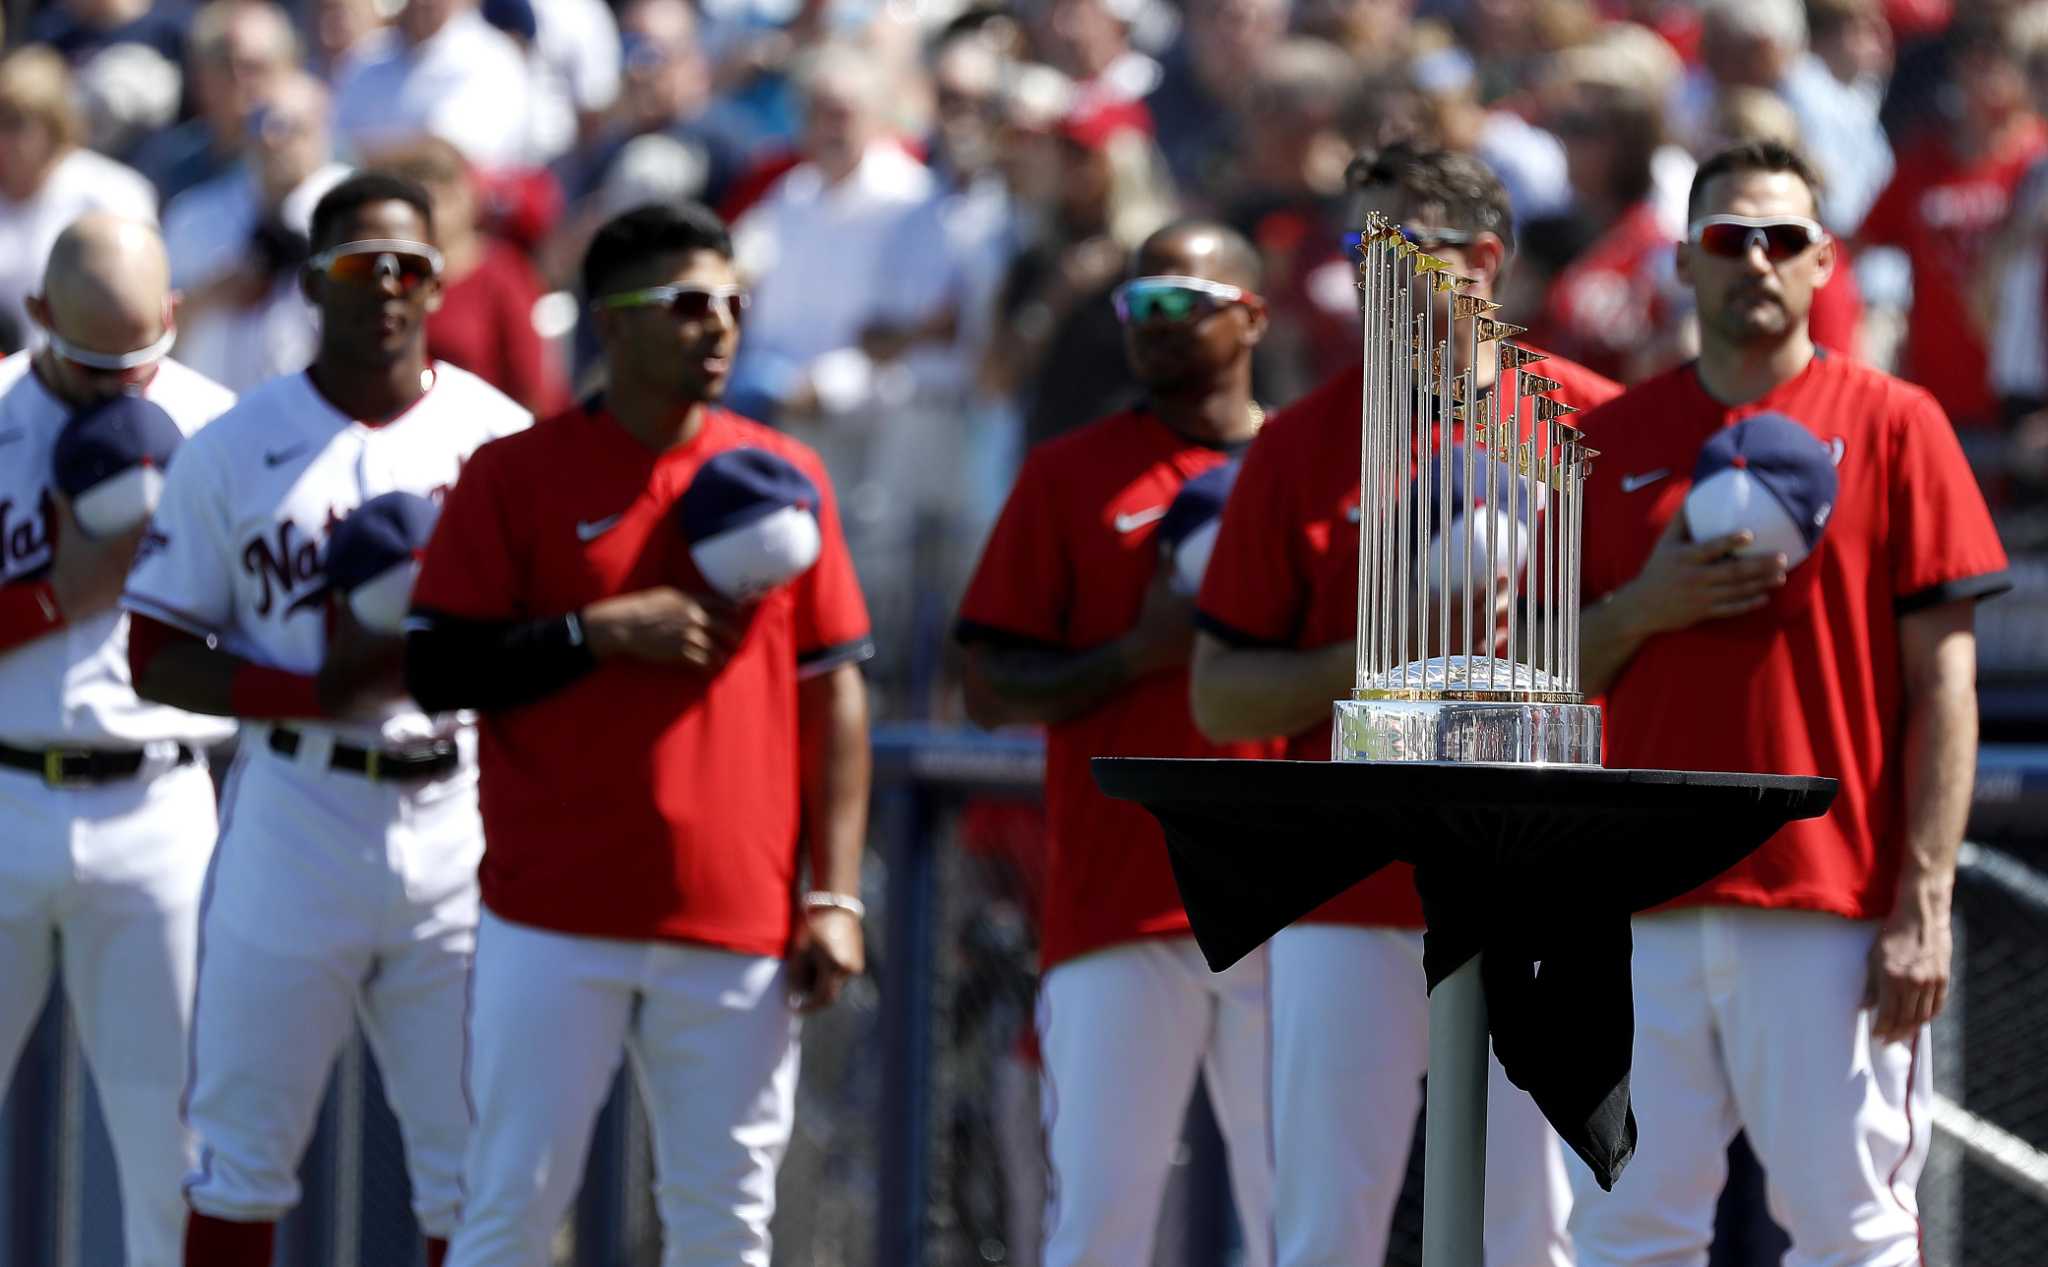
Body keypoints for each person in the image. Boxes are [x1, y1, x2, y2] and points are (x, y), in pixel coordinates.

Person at [1565, 138, 2008, 1266]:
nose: (1751, 261)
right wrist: (1643, 605)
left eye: (1780, 239)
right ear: (1681, 261)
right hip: (1629, 911)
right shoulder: (1603, 441)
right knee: (1622, 1234)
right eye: (1726, 239)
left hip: (1830, 904)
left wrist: (1922, 899)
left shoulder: (1899, 423)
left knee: (1850, 1233)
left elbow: (1943, 684)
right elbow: (1539, 675)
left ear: (1822, 263)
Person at [405, 200, 872, 1267]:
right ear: (609, 326)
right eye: (687, 304)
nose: (718, 327)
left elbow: (835, 687)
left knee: (722, 1226)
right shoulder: (514, 476)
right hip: (550, 913)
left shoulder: (783, 471)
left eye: (731, 305)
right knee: (508, 1218)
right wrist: (588, 633)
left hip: (736, 920)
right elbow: (436, 669)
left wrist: (833, 894)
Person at [1189, 145, 1620, 1267]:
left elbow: (1656, 648)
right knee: (1326, 1226)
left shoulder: (1597, 423)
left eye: (1400, 248)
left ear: (1484, 262)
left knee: (1531, 1230)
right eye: (1357, 247)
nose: (1367, 275)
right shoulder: (1299, 441)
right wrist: (1381, 653)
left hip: (1541, 878)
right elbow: (1220, 694)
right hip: (1350, 884)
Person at [119, 172, 532, 1267]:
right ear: (313, 283)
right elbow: (154, 654)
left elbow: (548, 638)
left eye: (412, 268)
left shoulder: (499, 439)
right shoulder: (236, 443)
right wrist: (310, 692)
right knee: (240, 1157)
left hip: (457, 811)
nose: (389, 289)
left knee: (476, 1166)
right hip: (297, 811)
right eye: (361, 266)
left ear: (440, 282)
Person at [956, 220, 1278, 1267]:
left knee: (1305, 1215)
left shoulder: (1312, 468)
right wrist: (1133, 655)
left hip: (1295, 895)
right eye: (1139, 302)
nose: (1157, 321)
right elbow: (987, 684)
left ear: (1253, 317)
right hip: (1115, 896)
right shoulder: (1068, 474)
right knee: (1097, 1218)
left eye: (1185, 298)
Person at [0, 214, 235, 1267]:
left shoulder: (219, 424)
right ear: (39, 314)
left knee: (178, 1149)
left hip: (159, 802)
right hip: (3, 789)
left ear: (174, 319)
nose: (119, 385)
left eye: (138, 357)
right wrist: (58, 598)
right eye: (93, 360)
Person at [0, 47, 157, 351]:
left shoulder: (111, 192)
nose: (2, 139)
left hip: (90, 376)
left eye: (16, 123)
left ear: (53, 123)